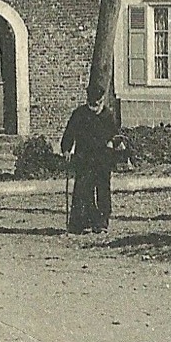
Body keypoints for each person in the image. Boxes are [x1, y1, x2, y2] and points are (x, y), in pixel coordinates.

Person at [61, 86, 121, 233]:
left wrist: (112, 143)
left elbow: (116, 135)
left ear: (101, 101)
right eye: (92, 104)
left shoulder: (107, 115)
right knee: (82, 190)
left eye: (98, 103)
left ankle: (101, 222)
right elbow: (69, 133)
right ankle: (80, 223)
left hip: (103, 159)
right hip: (84, 158)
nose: (95, 107)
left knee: (103, 190)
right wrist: (67, 149)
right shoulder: (80, 114)